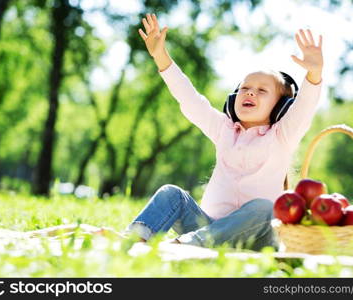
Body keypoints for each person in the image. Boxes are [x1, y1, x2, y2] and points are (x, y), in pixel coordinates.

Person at [122, 13, 323, 251]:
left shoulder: (283, 135)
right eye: (245, 88)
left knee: (264, 207)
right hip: (207, 229)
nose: (249, 93)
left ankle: (183, 245)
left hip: (254, 238)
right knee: (171, 193)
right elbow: (189, 98)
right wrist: (161, 57)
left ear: (281, 107)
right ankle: (133, 240)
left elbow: (305, 107)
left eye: (261, 91)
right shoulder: (224, 130)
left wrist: (314, 75)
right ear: (232, 100)